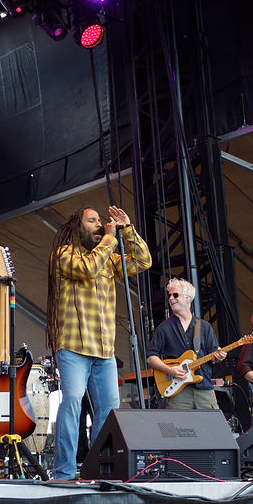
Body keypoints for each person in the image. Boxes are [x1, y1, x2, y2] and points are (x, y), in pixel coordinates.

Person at [47, 205, 152, 481]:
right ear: (77, 227)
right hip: (73, 346)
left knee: (109, 410)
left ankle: (99, 469)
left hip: (104, 350)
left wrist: (127, 229)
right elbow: (88, 268)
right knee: (72, 402)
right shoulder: (64, 254)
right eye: (91, 221)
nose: (98, 225)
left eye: (100, 221)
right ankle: (64, 471)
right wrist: (110, 238)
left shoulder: (108, 257)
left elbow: (143, 261)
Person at [145, 277, 228, 409]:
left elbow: (214, 354)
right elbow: (151, 357)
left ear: (188, 298)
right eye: (170, 295)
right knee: (178, 428)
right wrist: (170, 370)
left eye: (175, 295)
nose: (171, 298)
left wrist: (219, 357)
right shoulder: (164, 327)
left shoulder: (205, 327)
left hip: (204, 387)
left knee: (211, 427)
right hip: (178, 390)